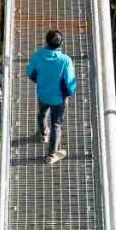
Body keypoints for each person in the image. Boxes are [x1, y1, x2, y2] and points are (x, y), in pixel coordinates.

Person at [26, 29, 77, 164]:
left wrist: (39, 80)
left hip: (42, 94)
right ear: (61, 44)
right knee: (56, 124)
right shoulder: (65, 60)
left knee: (42, 113)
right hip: (58, 98)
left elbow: (30, 72)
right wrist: (67, 93)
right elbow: (70, 84)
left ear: (46, 41)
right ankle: (51, 155)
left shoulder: (38, 56)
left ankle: (43, 134)